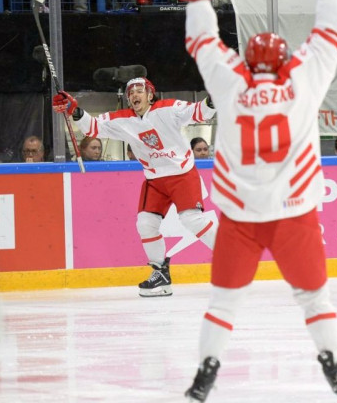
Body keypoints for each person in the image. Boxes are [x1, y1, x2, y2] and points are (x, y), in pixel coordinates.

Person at [171, 0, 337, 400]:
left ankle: (206, 374)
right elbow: (331, 35)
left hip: (240, 217)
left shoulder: (231, 83)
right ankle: (334, 370)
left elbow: (201, 40)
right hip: (295, 215)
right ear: (284, 58)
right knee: (315, 300)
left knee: (223, 303)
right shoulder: (303, 79)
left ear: (250, 62)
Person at [51, 77, 218, 298]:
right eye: (130, 92)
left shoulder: (168, 109)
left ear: (150, 95)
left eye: (140, 90)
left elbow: (199, 112)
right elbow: (93, 127)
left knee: (192, 219)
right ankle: (161, 275)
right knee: (146, 223)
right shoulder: (123, 120)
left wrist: (215, 98)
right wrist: (76, 111)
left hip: (181, 175)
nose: (134, 95)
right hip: (155, 180)